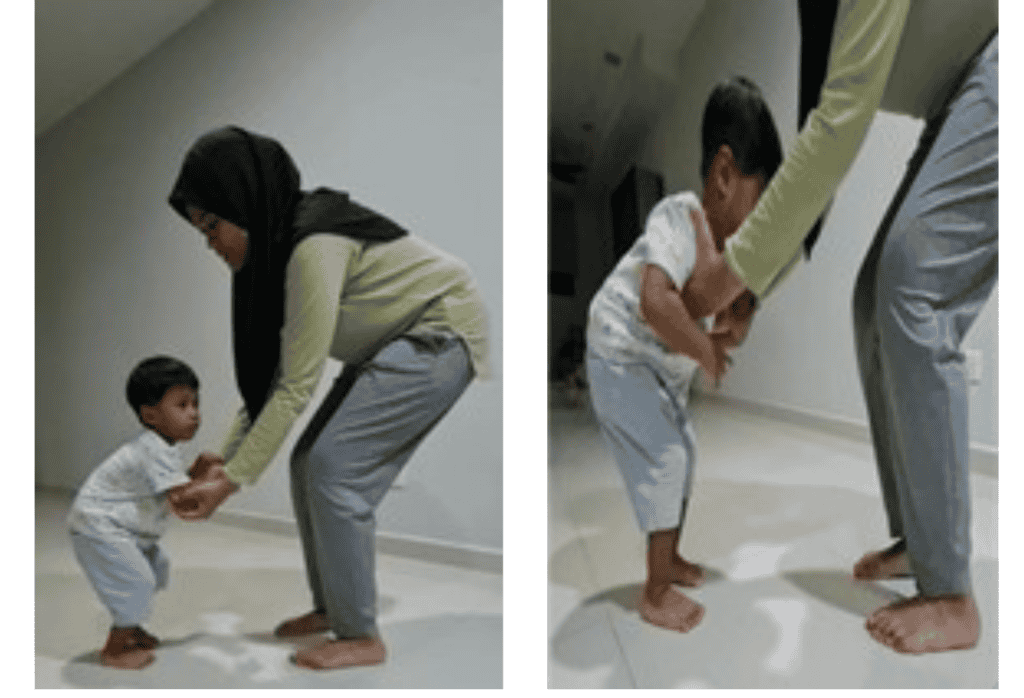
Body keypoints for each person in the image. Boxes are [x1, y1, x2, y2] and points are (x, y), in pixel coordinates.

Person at [693, 0, 997, 653]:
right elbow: (818, 148)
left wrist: (729, 274)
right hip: (957, 99)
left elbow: (839, 129)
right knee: (873, 299)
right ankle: (921, 539)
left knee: (914, 284)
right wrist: (751, 297)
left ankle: (951, 595)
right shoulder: (817, 12)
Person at [165, 126, 490, 670]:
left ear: (242, 203)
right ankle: (332, 609)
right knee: (304, 464)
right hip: (391, 345)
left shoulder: (311, 245)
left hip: (439, 334)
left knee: (335, 469)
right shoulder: (274, 255)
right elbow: (267, 380)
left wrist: (234, 480)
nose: (210, 243)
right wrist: (224, 457)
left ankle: (361, 635)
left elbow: (295, 386)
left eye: (211, 224)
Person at [585, 77, 782, 632]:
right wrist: (704, 352)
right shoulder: (681, 218)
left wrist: (727, 332)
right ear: (724, 174)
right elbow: (655, 302)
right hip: (619, 354)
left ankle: (667, 558)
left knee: (684, 453)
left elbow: (718, 330)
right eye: (759, 197)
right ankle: (654, 590)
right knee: (666, 457)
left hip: (656, 369)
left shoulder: (725, 255)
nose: (760, 217)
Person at [68, 356, 202, 670]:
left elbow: (172, 485)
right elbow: (182, 501)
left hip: (122, 528)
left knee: (154, 569)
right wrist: (219, 481)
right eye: (182, 405)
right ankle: (115, 647)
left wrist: (197, 473)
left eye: (195, 403)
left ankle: (133, 627)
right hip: (99, 526)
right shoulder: (153, 448)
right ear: (150, 415)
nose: (195, 413)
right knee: (136, 581)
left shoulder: (163, 447)